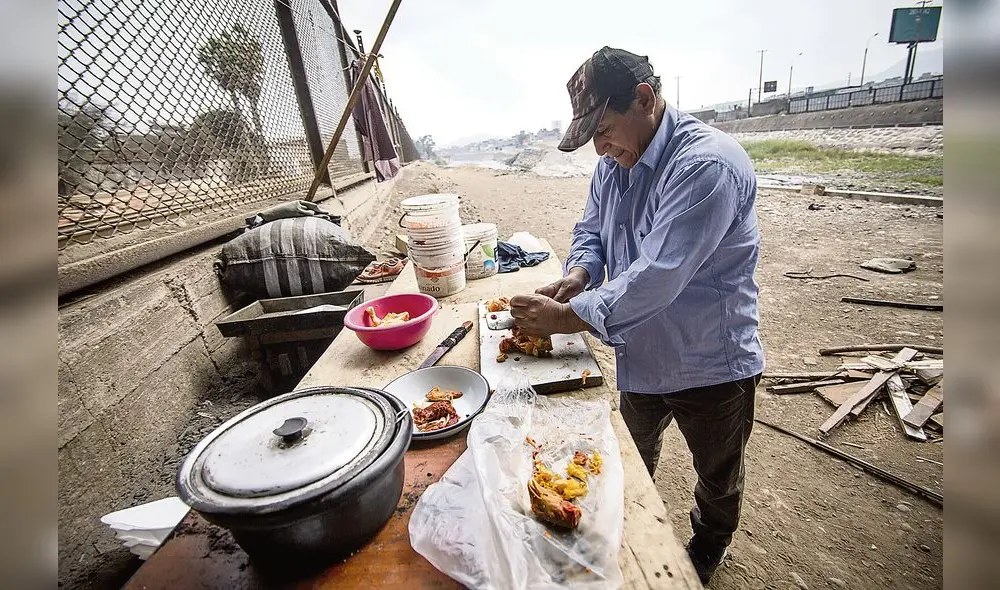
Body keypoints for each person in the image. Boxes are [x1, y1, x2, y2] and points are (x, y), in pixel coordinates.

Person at [509, 46, 765, 585]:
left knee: (718, 478)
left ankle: (706, 551)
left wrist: (563, 317)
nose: (599, 147)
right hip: (642, 354)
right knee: (628, 454)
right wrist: (579, 272)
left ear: (645, 99)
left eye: (603, 129)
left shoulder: (706, 166)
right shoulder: (613, 164)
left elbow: (657, 276)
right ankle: (617, 529)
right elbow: (592, 231)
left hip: (710, 363)